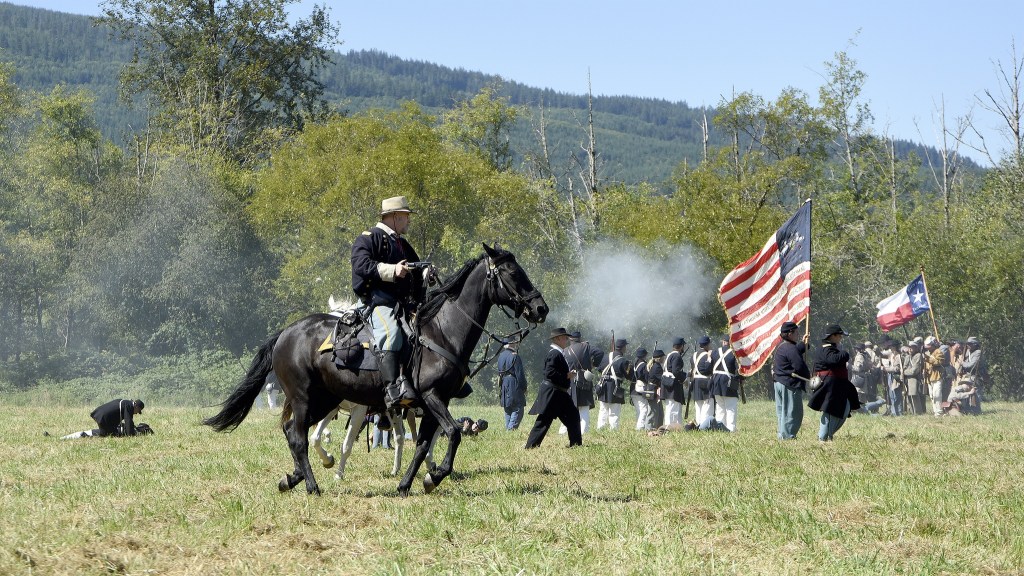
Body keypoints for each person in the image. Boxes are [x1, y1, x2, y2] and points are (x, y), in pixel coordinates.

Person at [351, 195, 428, 410]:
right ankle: (392, 388)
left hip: (403, 304)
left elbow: (416, 266)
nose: (408, 221)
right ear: (394, 217)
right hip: (377, 303)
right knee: (391, 334)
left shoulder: (401, 243)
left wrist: (426, 272)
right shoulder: (368, 238)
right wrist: (392, 270)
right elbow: (361, 265)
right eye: (406, 216)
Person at [525, 328, 582, 448]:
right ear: (557, 339)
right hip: (553, 393)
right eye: (564, 337)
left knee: (573, 417)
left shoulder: (558, 353)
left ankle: (576, 445)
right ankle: (531, 447)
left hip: (559, 393)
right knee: (544, 421)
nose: (566, 339)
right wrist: (567, 375)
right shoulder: (554, 353)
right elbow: (549, 373)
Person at [808, 324, 861, 441]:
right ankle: (824, 437)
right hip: (831, 385)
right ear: (833, 336)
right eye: (839, 335)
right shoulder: (826, 348)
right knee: (830, 411)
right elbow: (833, 360)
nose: (841, 338)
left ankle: (828, 434)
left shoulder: (831, 348)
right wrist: (845, 354)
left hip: (838, 385)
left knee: (844, 408)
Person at [560, 330, 603, 436]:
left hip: (570, 381)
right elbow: (600, 353)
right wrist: (593, 364)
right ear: (580, 338)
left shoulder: (565, 350)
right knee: (584, 408)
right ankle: (584, 432)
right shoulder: (586, 347)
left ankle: (563, 431)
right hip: (584, 380)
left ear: (570, 339)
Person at [772, 321, 810, 439]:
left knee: (783, 412)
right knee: (792, 413)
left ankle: (783, 435)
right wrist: (810, 377)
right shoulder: (790, 348)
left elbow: (796, 350)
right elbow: (799, 366)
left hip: (780, 382)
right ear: (789, 333)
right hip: (789, 384)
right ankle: (788, 436)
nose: (798, 334)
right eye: (796, 332)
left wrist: (804, 343)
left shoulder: (783, 346)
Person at [61, 399, 145, 439]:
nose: (137, 413)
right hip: (104, 418)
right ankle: (80, 435)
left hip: (100, 414)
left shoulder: (125, 402)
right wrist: (132, 437)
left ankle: (69, 436)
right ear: (136, 406)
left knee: (111, 433)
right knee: (105, 435)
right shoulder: (129, 406)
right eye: (138, 411)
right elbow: (128, 421)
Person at [595, 338, 631, 430]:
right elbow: (628, 376)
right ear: (623, 347)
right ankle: (614, 429)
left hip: (603, 385)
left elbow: (599, 369)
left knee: (603, 409)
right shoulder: (623, 360)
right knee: (614, 411)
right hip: (615, 386)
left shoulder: (605, 357)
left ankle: (600, 428)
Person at [710, 338, 740, 432]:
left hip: (716, 382)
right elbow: (738, 370)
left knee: (720, 407)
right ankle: (731, 429)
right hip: (728, 382)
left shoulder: (714, 352)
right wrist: (741, 379)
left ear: (723, 342)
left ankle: (720, 427)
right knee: (730, 407)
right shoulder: (734, 353)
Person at [496, 340, 528, 430]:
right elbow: (519, 374)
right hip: (513, 383)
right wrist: (524, 387)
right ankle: (510, 430)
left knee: (508, 409)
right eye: (515, 342)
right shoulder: (515, 356)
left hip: (504, 383)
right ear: (512, 343)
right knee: (518, 408)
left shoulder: (501, 356)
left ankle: (508, 430)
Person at [661, 337, 687, 428]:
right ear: (681, 346)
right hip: (673, 385)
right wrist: (684, 379)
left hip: (668, 383)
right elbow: (676, 371)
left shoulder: (670, 355)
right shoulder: (676, 356)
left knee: (671, 407)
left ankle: (673, 427)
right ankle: (671, 428)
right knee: (673, 408)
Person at [690, 336, 715, 429]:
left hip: (696, 382)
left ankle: (699, 425)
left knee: (698, 405)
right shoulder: (706, 355)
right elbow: (707, 370)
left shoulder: (693, 355)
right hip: (705, 381)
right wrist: (709, 358)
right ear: (707, 345)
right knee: (707, 406)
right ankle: (704, 427)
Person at [955, 336, 984, 414]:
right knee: (968, 393)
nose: (968, 345)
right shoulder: (968, 352)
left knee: (976, 394)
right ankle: (969, 410)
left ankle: (977, 411)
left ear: (975, 344)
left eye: (970, 344)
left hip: (977, 376)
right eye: (967, 344)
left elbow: (971, 365)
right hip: (969, 376)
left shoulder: (978, 352)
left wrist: (962, 363)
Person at [923, 336, 947, 417]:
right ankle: (935, 412)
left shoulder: (938, 352)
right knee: (932, 395)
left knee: (937, 395)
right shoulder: (927, 353)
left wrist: (928, 358)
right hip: (929, 377)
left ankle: (939, 412)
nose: (928, 348)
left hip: (937, 376)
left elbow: (938, 362)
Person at [644, 349, 666, 430]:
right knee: (653, 412)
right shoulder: (657, 367)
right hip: (653, 390)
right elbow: (661, 379)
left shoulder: (654, 366)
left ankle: (658, 428)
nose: (664, 358)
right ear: (659, 358)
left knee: (659, 412)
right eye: (663, 357)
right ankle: (649, 429)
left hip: (653, 389)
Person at [631, 348, 650, 430]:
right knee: (644, 409)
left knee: (639, 410)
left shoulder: (634, 364)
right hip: (640, 389)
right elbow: (646, 378)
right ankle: (640, 427)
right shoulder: (643, 365)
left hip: (633, 389)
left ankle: (639, 426)